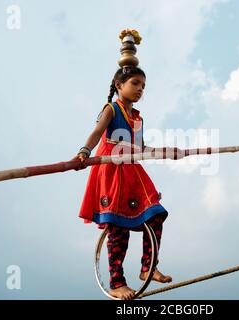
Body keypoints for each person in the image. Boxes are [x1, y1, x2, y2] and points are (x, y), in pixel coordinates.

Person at [71, 29, 184, 300]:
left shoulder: (137, 118)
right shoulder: (112, 109)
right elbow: (98, 132)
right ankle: (117, 281)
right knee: (118, 227)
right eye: (135, 83)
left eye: (143, 86)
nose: (140, 89)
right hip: (112, 171)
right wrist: (84, 152)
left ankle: (148, 266)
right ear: (119, 85)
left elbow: (140, 149)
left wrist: (166, 151)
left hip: (133, 170)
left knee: (155, 214)